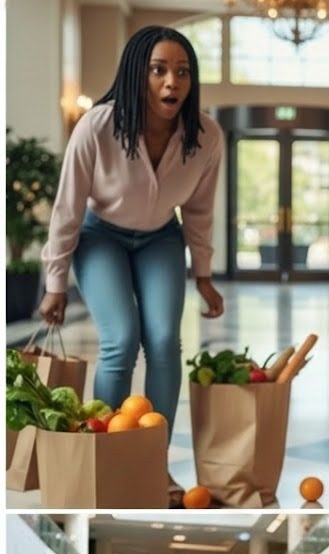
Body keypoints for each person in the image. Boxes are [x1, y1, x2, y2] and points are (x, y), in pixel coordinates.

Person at [38, 25, 224, 506]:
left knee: (163, 341)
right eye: (158, 70)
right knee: (121, 339)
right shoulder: (98, 125)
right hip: (100, 236)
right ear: (137, 75)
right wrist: (55, 282)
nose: (171, 82)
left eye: (182, 72)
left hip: (161, 237)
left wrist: (203, 275)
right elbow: (68, 206)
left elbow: (200, 210)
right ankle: (108, 455)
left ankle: (152, 464)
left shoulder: (205, 136)